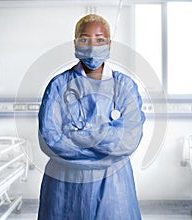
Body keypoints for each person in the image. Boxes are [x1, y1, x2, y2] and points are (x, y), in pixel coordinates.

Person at [38, 14, 145, 220]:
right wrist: (107, 139)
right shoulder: (58, 86)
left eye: (100, 40)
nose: (92, 45)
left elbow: (129, 140)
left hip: (113, 187)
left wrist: (76, 134)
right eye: (84, 39)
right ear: (75, 43)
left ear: (109, 44)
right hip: (66, 187)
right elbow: (50, 141)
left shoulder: (125, 86)